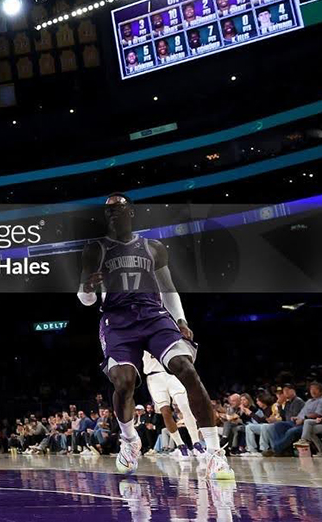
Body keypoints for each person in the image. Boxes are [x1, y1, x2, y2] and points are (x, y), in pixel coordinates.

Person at [78, 194, 233, 479]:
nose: (113, 214)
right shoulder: (95, 249)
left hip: (153, 314)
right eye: (108, 211)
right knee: (123, 382)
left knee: (186, 368)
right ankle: (129, 441)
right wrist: (87, 286)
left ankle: (213, 452)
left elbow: (168, 287)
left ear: (131, 213)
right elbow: (86, 300)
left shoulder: (153, 247)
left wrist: (181, 320)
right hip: (118, 319)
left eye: (119, 209)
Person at [143, 350, 198, 460]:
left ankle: (197, 444)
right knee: (166, 413)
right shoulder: (140, 337)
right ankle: (181, 446)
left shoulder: (167, 334)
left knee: (185, 407)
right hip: (154, 378)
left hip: (172, 374)